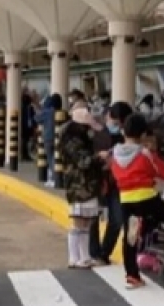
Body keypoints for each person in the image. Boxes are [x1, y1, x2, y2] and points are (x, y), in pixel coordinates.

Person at [110, 113, 164, 289]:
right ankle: (147, 227)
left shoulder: (115, 155)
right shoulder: (145, 154)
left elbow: (114, 174)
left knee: (130, 238)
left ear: (124, 132)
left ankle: (132, 276)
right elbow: (161, 171)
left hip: (126, 200)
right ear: (142, 136)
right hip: (147, 198)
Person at [60, 105, 105, 268]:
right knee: (79, 222)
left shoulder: (77, 138)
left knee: (85, 222)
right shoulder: (73, 141)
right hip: (79, 185)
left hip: (86, 185)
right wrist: (98, 157)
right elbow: (82, 162)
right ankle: (74, 258)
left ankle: (84, 257)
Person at [90, 101, 131, 265]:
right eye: (115, 122)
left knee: (117, 218)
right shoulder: (97, 133)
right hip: (98, 179)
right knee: (93, 217)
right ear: (108, 117)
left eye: (120, 123)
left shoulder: (127, 135)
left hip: (117, 182)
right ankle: (93, 252)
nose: (117, 126)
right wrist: (101, 159)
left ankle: (104, 252)